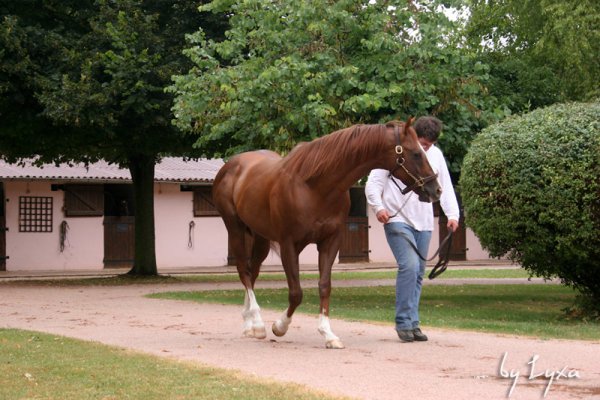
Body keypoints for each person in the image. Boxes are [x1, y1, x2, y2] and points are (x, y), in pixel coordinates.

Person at [365, 116, 459, 343]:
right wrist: (378, 207)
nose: (426, 148)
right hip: (397, 219)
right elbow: (373, 183)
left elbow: (443, 186)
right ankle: (403, 322)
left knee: (418, 272)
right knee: (409, 266)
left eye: (430, 145)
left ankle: (413, 323)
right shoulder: (396, 151)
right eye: (424, 143)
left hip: (424, 222)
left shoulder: (436, 155)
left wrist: (452, 214)